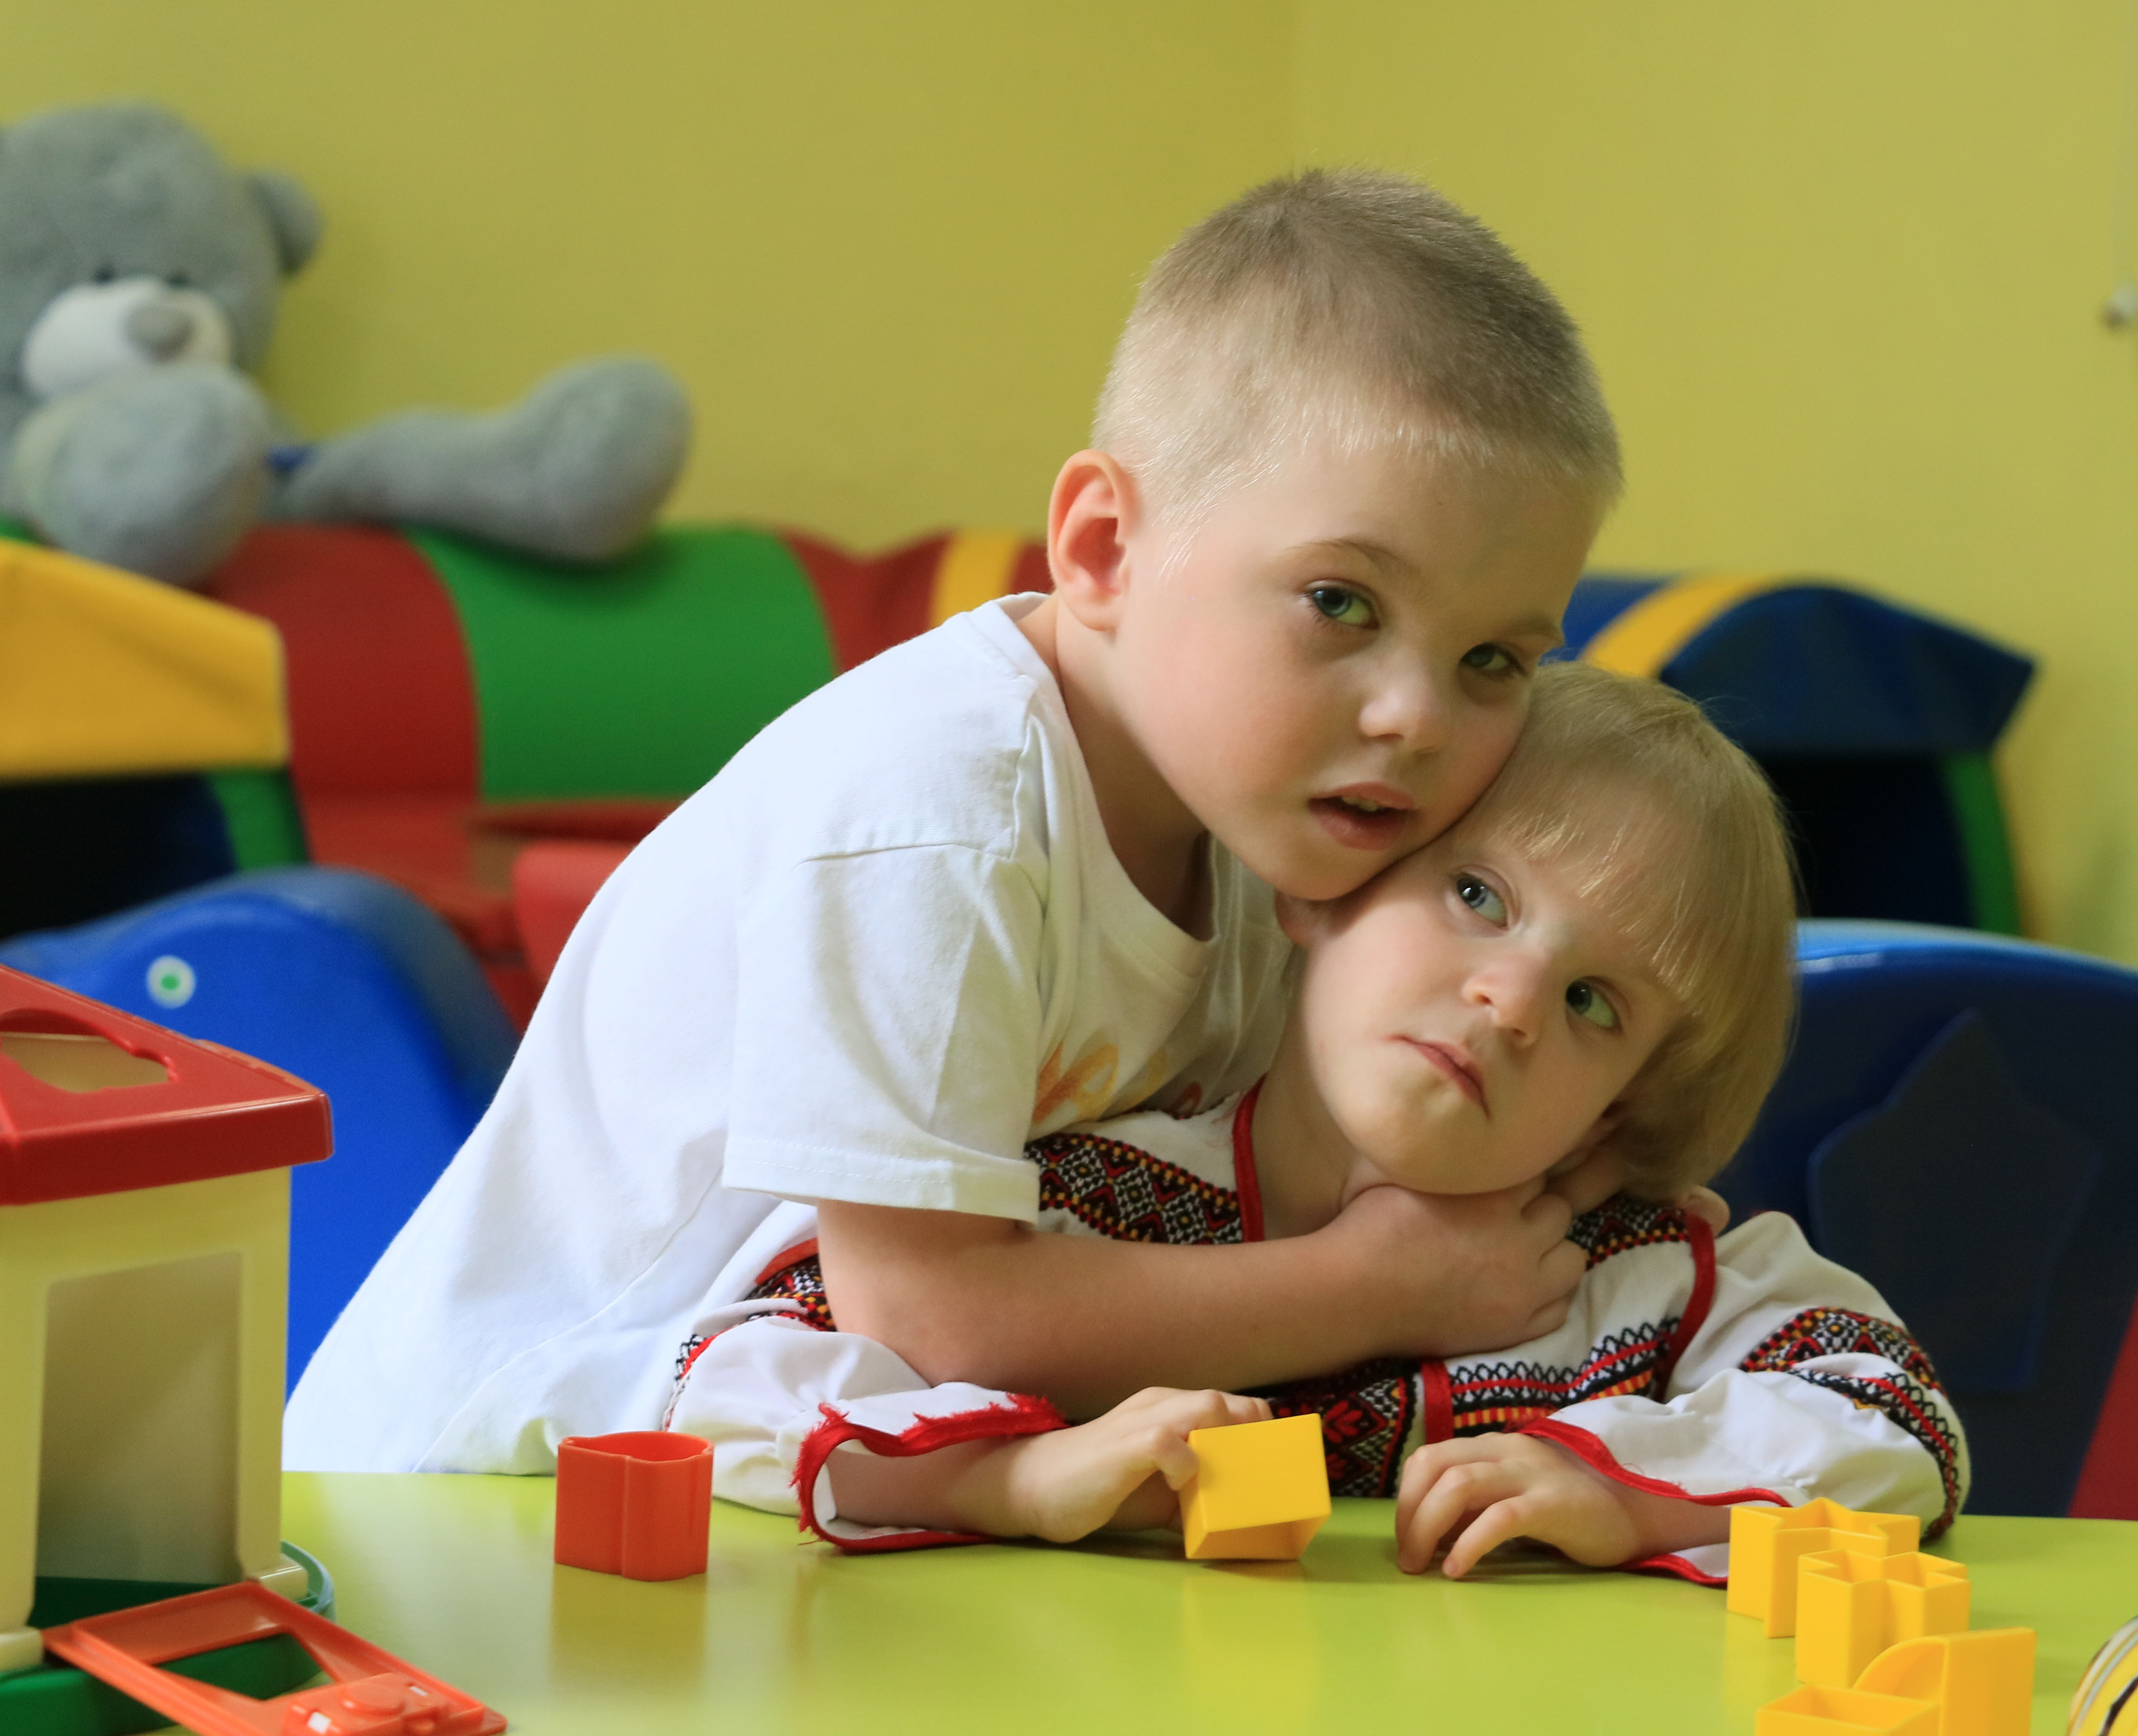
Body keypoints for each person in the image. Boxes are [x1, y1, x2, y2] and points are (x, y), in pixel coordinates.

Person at [285, 170, 1631, 1472]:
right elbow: (930, 1317)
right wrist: (1379, 1289)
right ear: (1102, 550)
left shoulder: (1272, 817)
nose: (1419, 717)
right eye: (1342, 603)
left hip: (789, 1474)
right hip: (493, 1481)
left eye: (1492, 661)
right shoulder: (941, 811)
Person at [668, 666, 1967, 1582]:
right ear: (1320, 893)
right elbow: (729, 1377)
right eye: (1478, 895)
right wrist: (1006, 1482)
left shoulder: (1644, 1272)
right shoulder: (1093, 1200)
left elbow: (1898, 1417)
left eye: (1593, 1004)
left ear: (1614, 1115)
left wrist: (1631, 1492)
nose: (1512, 1001)